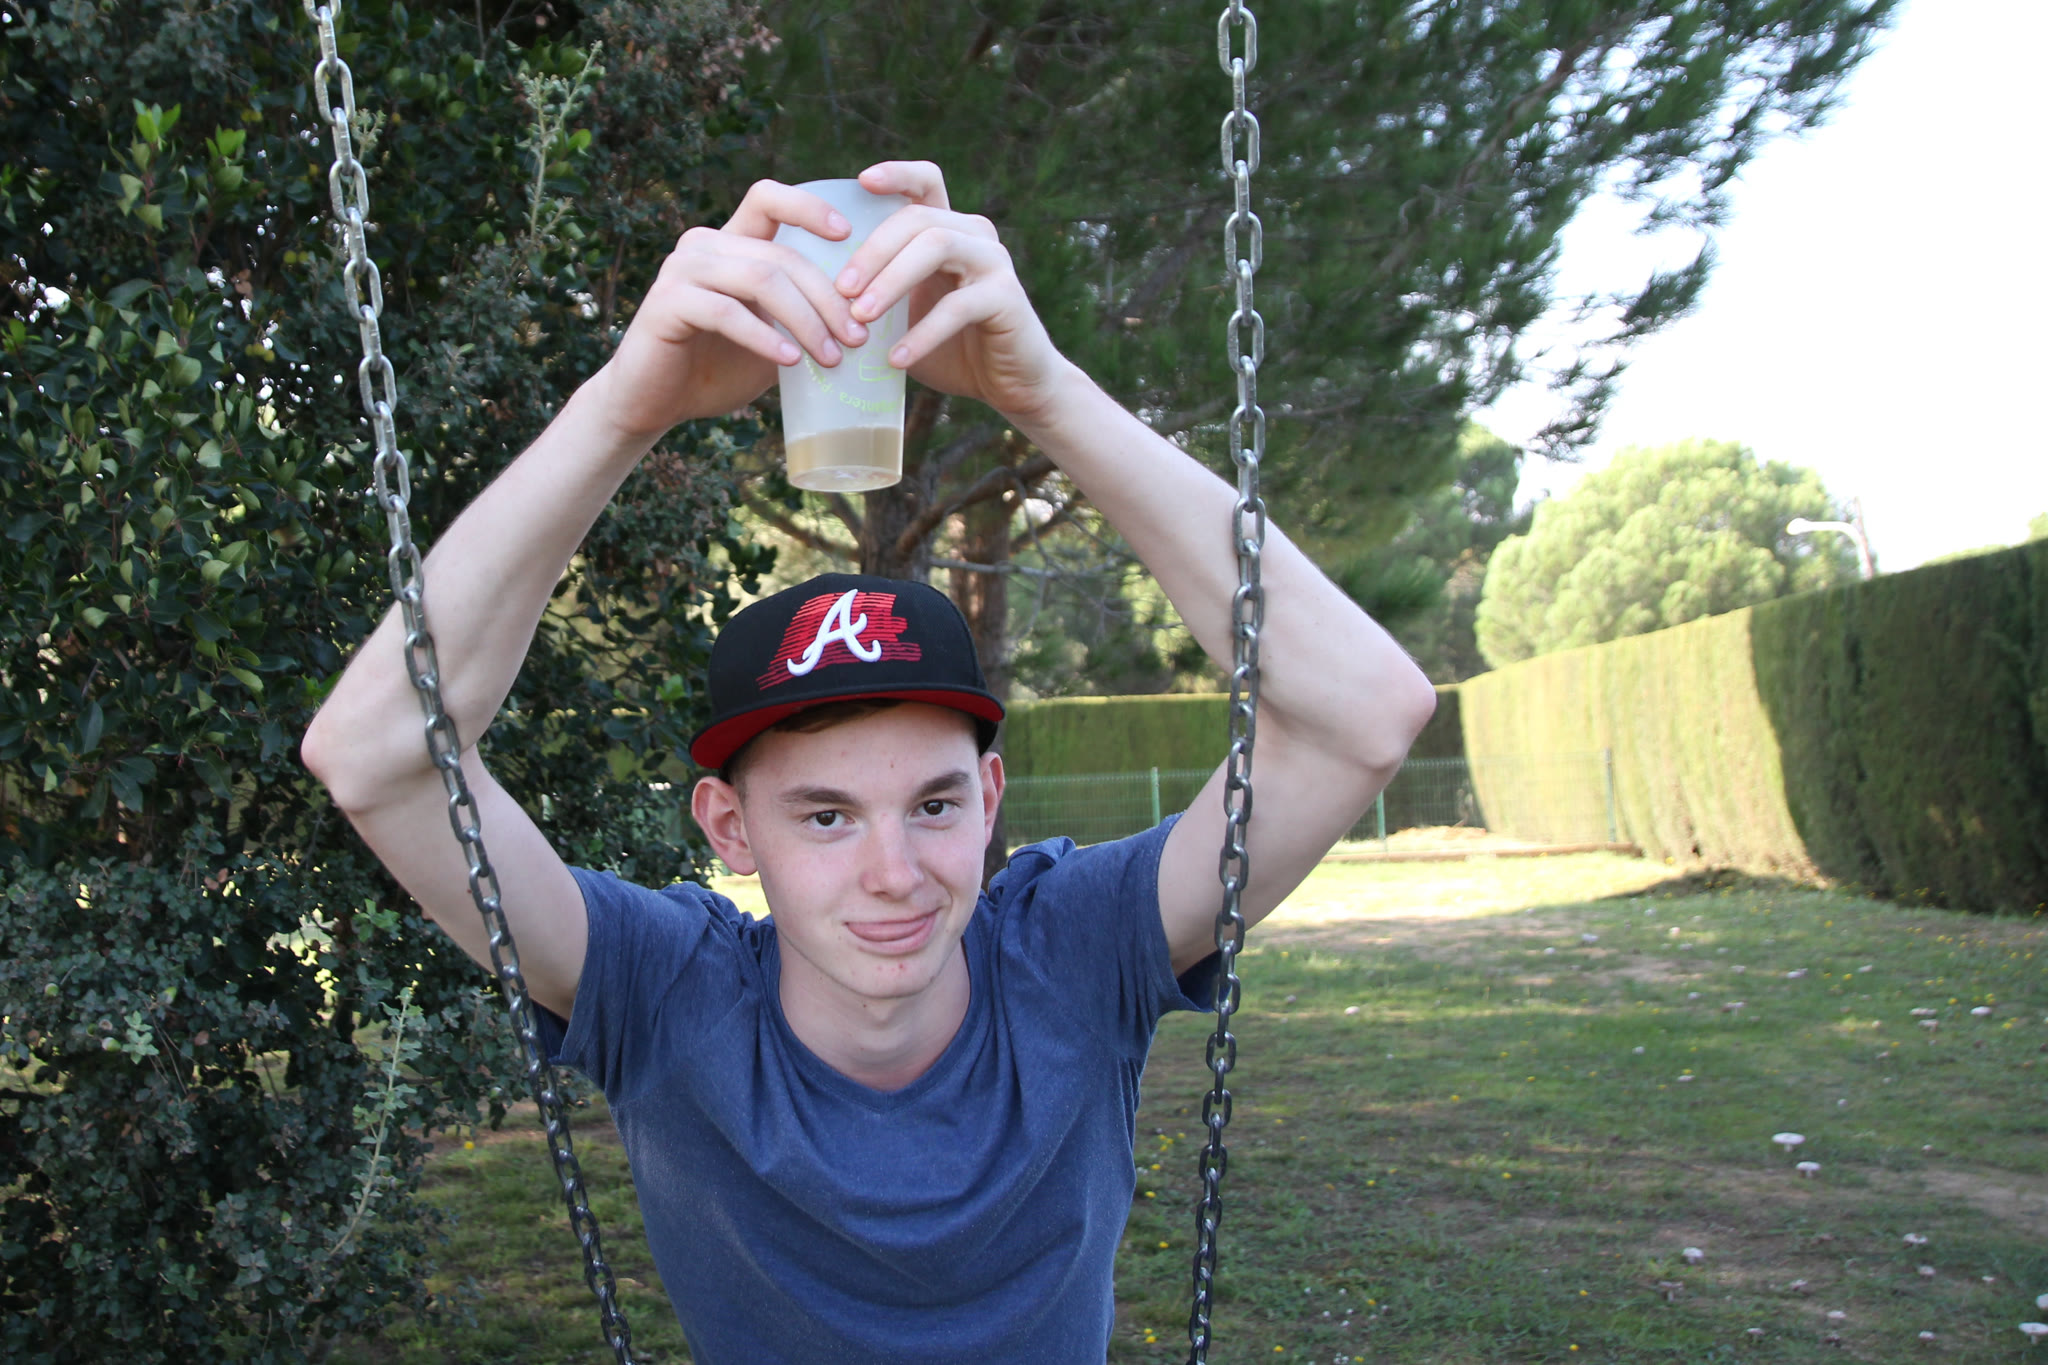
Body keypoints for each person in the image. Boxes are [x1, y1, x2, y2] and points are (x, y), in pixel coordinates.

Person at [301, 160, 1437, 1363]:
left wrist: (1045, 394)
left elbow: (1362, 714)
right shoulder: (664, 997)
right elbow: (375, 756)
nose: (895, 873)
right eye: (825, 816)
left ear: (988, 798)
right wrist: (623, 408)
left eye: (933, 804)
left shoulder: (1072, 955)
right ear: (729, 829)